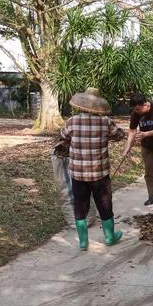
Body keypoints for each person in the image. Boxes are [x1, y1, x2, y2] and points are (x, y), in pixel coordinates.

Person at [59, 87, 125, 250]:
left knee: (80, 206)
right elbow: (119, 135)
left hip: (78, 173)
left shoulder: (72, 121)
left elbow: (63, 135)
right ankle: (110, 237)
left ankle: (83, 242)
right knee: (105, 205)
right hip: (99, 174)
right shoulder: (105, 122)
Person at [122, 93, 153, 206]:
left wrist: (146, 134)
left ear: (145, 105)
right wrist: (127, 149)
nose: (136, 111)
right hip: (147, 146)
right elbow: (132, 131)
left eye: (138, 109)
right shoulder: (135, 113)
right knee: (148, 171)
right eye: (134, 109)